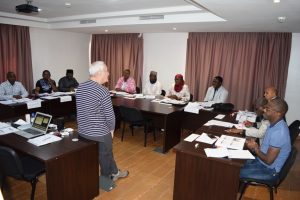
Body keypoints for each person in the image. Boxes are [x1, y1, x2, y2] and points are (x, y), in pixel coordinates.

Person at [76, 61, 128, 182]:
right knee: (105, 154)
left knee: (107, 152)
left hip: (83, 131)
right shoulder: (102, 91)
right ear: (99, 73)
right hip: (99, 133)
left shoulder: (80, 87)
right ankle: (106, 179)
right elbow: (110, 116)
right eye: (106, 71)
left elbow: (80, 110)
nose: (108, 73)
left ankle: (115, 171)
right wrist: (111, 130)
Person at [240, 98, 291, 182]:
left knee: (234, 171)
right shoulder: (273, 124)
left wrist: (256, 148)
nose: (264, 110)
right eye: (265, 107)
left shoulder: (279, 132)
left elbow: (269, 161)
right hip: (261, 161)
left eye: (267, 109)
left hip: (269, 170)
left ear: (278, 113)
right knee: (233, 164)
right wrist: (253, 145)